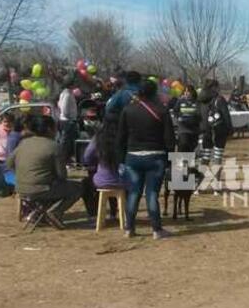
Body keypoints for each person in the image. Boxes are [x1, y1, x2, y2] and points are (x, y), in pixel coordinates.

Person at [117, 80, 175, 239]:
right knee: (152, 193)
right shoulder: (162, 111)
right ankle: (156, 230)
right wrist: (170, 159)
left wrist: (121, 158)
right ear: (154, 93)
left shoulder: (128, 110)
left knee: (134, 193)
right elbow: (169, 138)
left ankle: (129, 228)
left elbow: (121, 136)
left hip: (133, 156)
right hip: (156, 156)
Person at [6, 115, 81, 228]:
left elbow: (9, 163)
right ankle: (55, 212)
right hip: (42, 189)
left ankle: (39, 213)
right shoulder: (54, 146)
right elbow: (62, 175)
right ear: (49, 129)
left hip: (20, 189)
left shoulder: (24, 143)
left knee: (54, 187)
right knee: (78, 187)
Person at [82, 114, 128, 220]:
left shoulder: (98, 138)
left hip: (102, 181)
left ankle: (93, 214)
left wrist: (94, 163)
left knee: (86, 183)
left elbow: (87, 156)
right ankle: (114, 212)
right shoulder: (125, 138)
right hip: (123, 180)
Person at [198, 79, 233, 166]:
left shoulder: (200, 100)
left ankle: (203, 176)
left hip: (204, 130)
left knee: (205, 155)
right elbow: (226, 116)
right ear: (214, 87)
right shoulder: (219, 99)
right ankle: (216, 177)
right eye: (218, 87)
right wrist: (230, 130)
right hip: (218, 130)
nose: (219, 89)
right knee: (217, 156)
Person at [174, 84, 201, 153]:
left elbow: (200, 114)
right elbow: (175, 111)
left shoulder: (197, 102)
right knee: (183, 143)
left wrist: (196, 119)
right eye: (185, 91)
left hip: (194, 129)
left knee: (191, 146)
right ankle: (179, 161)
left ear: (192, 92)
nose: (186, 93)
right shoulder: (180, 101)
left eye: (188, 91)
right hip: (183, 128)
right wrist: (178, 117)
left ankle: (189, 162)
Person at [57, 78, 79, 162]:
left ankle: (67, 157)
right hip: (67, 121)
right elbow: (64, 109)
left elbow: (59, 104)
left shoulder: (66, 93)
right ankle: (64, 158)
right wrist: (70, 117)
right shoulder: (67, 95)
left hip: (66, 120)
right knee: (66, 142)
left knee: (69, 141)